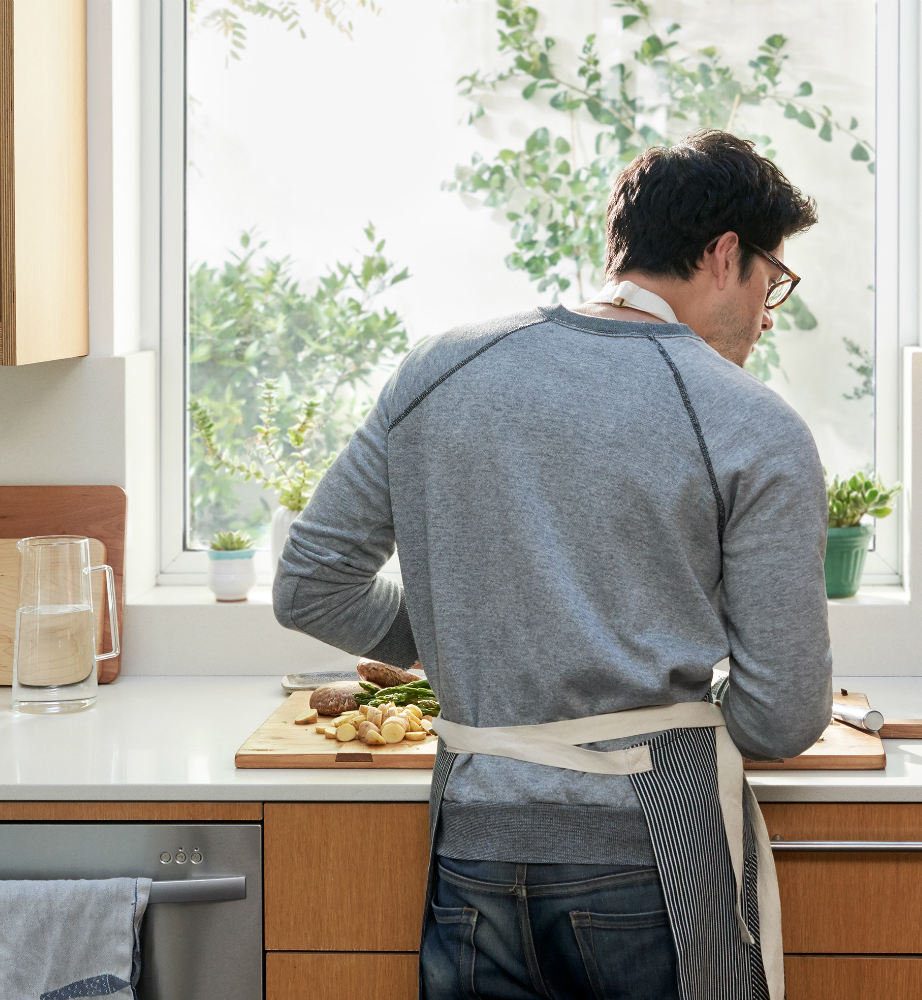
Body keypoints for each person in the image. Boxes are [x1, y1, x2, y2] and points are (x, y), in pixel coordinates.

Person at [274, 129, 833, 1000]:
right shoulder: (750, 422)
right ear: (726, 256)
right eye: (774, 283)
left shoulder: (439, 368)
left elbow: (313, 584)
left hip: (473, 849)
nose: (770, 313)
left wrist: (476, 630)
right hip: (651, 855)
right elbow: (782, 716)